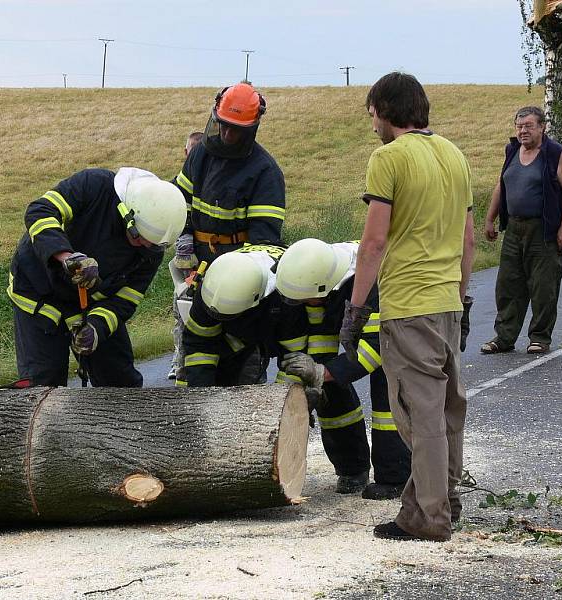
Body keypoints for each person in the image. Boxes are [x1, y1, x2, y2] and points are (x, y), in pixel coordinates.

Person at [342, 72, 474, 542]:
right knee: (446, 409)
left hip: (407, 304)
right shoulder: (453, 155)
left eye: (372, 112)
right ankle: (445, 499)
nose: (371, 122)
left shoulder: (388, 158)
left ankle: (428, 517)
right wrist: (461, 296)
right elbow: (467, 238)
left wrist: (354, 312)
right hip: (445, 302)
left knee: (418, 415)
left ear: (385, 110)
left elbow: (374, 241)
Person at [7, 167, 187, 387]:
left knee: (121, 384)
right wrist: (67, 258)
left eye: (153, 244)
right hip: (39, 292)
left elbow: (124, 300)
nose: (145, 246)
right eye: (140, 238)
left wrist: (95, 328)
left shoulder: (152, 246)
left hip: (90, 305)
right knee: (44, 387)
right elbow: (40, 211)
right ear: (128, 215)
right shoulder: (95, 185)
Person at [275, 238, 412, 497]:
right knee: (330, 390)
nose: (306, 305)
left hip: (400, 322)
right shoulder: (317, 277)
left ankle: (397, 477)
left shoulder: (372, 280)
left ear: (325, 288)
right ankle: (351, 469)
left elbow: (377, 348)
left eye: (309, 301)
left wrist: (322, 372)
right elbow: (321, 337)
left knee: (388, 397)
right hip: (356, 308)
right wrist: (309, 383)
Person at [481, 106, 562, 355]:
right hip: (514, 228)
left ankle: (540, 337)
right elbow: (501, 186)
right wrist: (490, 219)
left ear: (542, 127)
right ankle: (504, 337)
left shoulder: (554, 153)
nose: (523, 131)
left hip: (543, 229)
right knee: (508, 284)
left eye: (528, 126)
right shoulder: (512, 150)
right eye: (519, 126)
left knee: (543, 286)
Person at [172, 83, 286, 269]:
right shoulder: (200, 154)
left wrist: (240, 271)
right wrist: (184, 238)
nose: (227, 133)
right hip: (195, 259)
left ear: (250, 130)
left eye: (236, 129)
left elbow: (263, 238)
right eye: (223, 125)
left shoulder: (266, 172)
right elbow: (180, 199)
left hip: (236, 264)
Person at [176, 243, 306, 388]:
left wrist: (282, 400)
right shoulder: (209, 289)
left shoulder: (287, 296)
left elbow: (295, 354)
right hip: (236, 332)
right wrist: (200, 393)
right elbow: (199, 345)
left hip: (273, 309)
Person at [168, 131, 204, 380]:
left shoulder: (210, 181)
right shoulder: (177, 186)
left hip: (206, 258)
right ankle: (180, 359)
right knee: (183, 308)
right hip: (186, 262)